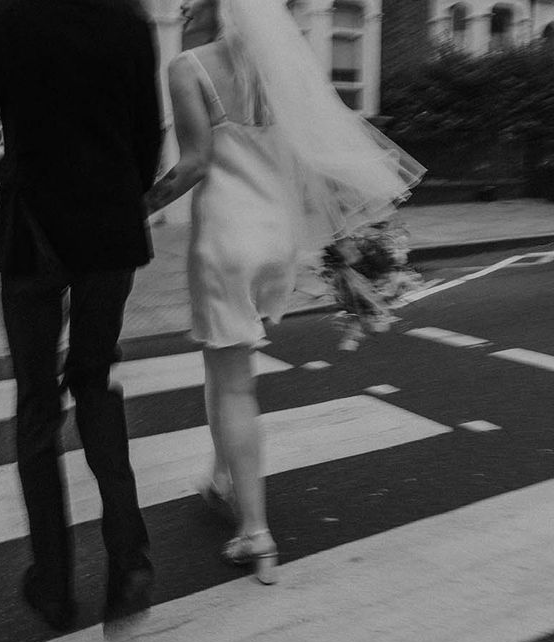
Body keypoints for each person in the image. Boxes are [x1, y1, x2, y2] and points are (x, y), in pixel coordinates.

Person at [145, 0, 424, 584]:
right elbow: (313, 155)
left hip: (225, 238)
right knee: (224, 364)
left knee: (234, 381)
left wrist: (137, 208)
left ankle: (256, 531)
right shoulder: (281, 68)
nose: (187, 7)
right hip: (275, 240)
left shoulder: (188, 67)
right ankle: (223, 475)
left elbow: (194, 164)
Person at [0, 0, 162, 633]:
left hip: (32, 232)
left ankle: (53, 584)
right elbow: (148, 136)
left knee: (38, 408)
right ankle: (129, 562)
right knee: (96, 382)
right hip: (109, 230)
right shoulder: (130, 20)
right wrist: (118, 193)